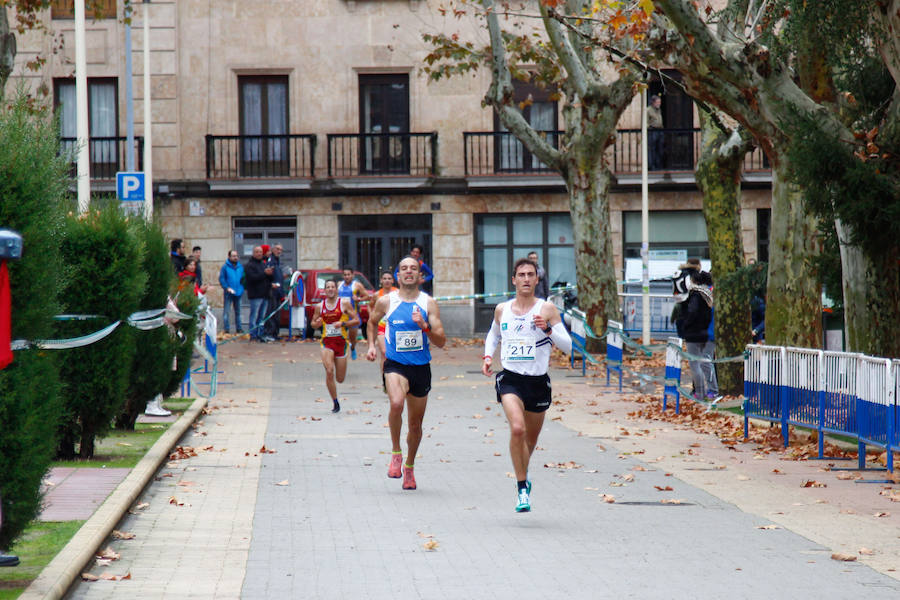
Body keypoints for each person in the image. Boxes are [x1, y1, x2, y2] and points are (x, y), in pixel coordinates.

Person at [481, 257, 572, 513]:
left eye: (530, 274)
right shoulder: (502, 309)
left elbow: (568, 347)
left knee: (529, 441)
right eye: (521, 275)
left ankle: (523, 471)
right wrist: (488, 356)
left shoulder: (547, 310)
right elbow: (494, 334)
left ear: (537, 279)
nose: (526, 279)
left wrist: (549, 331)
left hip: (538, 382)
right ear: (513, 280)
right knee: (517, 429)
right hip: (510, 379)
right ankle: (522, 488)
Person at [366, 256, 446, 490]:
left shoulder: (428, 303)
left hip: (421, 368)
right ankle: (396, 453)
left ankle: (409, 467)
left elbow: (441, 341)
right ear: (398, 276)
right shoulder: (386, 301)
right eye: (404, 269)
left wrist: (425, 327)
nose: (408, 272)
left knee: (415, 425)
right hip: (395, 364)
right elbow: (372, 323)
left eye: (413, 268)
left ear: (420, 275)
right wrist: (371, 345)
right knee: (397, 403)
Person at [311, 279, 359, 413]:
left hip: (341, 343)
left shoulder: (344, 304)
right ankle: (335, 402)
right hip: (327, 342)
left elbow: (356, 320)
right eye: (328, 287)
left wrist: (342, 324)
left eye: (333, 287)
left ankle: (336, 395)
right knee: (329, 371)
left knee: (340, 378)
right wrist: (318, 323)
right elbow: (313, 324)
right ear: (325, 290)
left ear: (336, 290)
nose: (331, 289)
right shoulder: (320, 306)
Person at [682, 270, 713, 400]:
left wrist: (686, 325)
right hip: (704, 332)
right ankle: (711, 390)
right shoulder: (707, 295)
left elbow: (692, 312)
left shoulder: (695, 295)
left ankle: (700, 393)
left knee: (696, 365)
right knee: (705, 363)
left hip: (694, 333)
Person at [371, 271, 399, 381]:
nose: (387, 280)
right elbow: (370, 306)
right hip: (381, 327)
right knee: (384, 352)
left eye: (389, 278)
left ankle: (395, 375)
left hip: (394, 327)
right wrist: (372, 315)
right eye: (384, 278)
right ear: (381, 281)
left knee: (395, 353)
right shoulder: (377, 295)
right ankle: (385, 379)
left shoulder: (398, 293)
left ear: (393, 280)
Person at [245, 246, 274, 342]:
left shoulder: (263, 264)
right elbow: (252, 278)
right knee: (254, 316)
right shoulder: (249, 265)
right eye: (257, 252)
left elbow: (267, 278)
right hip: (255, 295)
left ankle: (260, 334)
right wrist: (265, 273)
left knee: (262, 317)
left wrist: (270, 275)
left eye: (261, 252)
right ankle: (253, 335)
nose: (259, 254)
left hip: (265, 294)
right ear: (253, 253)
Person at [338, 266, 367, 359]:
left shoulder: (357, 285)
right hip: (341, 315)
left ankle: (353, 348)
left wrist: (358, 299)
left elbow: (367, 296)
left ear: (352, 275)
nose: (347, 276)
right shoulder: (339, 284)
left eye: (348, 274)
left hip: (353, 316)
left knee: (353, 338)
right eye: (345, 275)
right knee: (340, 337)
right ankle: (341, 353)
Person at [699, 271, 720, 400]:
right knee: (703, 362)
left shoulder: (710, 294)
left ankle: (713, 390)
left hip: (709, 333)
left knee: (706, 361)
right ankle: (708, 388)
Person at [219, 250, 245, 334]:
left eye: (236, 256)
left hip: (238, 292)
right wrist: (226, 288)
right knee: (226, 312)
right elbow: (222, 279)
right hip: (228, 292)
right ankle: (226, 329)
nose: (235, 257)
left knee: (238, 312)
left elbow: (244, 279)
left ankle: (239, 328)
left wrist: (242, 288)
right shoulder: (225, 267)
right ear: (229, 257)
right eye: (233, 256)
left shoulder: (240, 267)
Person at [265, 244, 285, 340]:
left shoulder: (278, 262)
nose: (279, 251)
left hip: (278, 292)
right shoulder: (270, 261)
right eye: (277, 249)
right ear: (272, 250)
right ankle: (269, 333)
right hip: (272, 292)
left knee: (277, 315)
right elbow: (266, 275)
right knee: (271, 313)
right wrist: (270, 284)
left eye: (281, 250)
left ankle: (275, 334)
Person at [647, 94, 664, 171]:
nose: (659, 104)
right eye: (657, 102)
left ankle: (659, 165)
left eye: (660, 102)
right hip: (652, 131)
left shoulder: (659, 110)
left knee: (660, 148)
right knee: (652, 149)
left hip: (660, 130)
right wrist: (649, 128)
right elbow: (646, 122)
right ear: (653, 102)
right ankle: (652, 165)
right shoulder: (648, 110)